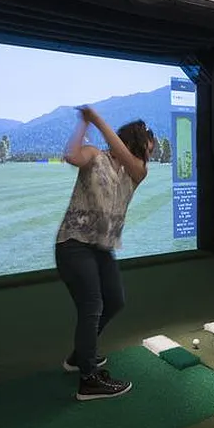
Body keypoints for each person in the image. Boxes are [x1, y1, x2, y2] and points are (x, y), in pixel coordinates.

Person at [55, 106, 154, 401]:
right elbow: (72, 156)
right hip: (73, 244)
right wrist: (84, 124)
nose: (150, 155)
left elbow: (124, 155)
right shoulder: (94, 155)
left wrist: (97, 118)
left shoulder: (137, 172)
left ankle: (78, 357)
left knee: (115, 300)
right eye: (148, 148)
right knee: (92, 304)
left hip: (101, 249)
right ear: (137, 143)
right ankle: (89, 379)